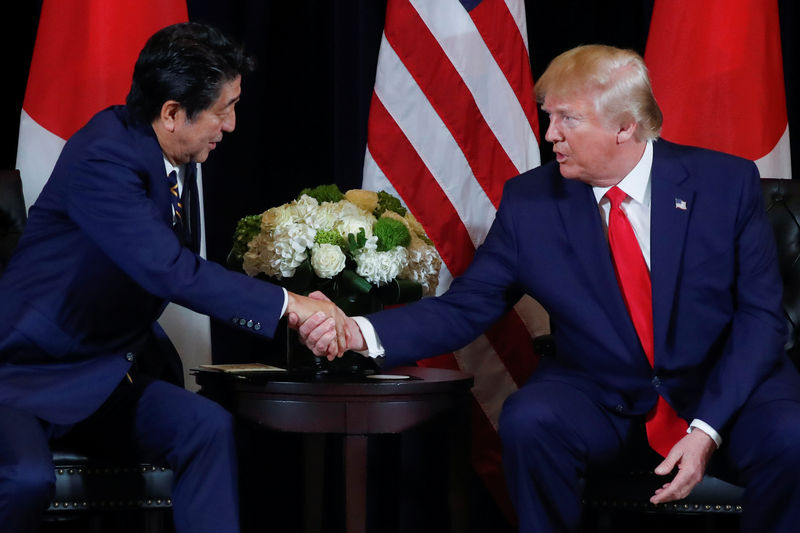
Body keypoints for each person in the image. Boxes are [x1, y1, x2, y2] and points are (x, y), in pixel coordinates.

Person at [294, 44, 800, 532]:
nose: (551, 134)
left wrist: (706, 428)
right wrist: (358, 331)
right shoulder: (530, 201)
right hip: (600, 391)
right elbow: (465, 308)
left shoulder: (725, 183)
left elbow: (760, 319)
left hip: (722, 386)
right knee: (530, 419)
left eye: (567, 119)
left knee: (789, 436)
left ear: (626, 125)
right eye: (548, 117)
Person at [0, 22, 348, 533]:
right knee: (27, 480)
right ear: (171, 113)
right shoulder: (105, 157)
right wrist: (291, 305)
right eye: (223, 109)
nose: (230, 124)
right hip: (23, 375)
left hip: (99, 376)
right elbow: (169, 270)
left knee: (205, 427)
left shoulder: (169, 153)